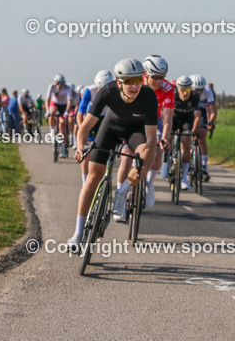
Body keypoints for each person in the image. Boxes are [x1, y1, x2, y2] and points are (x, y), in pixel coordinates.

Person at [68, 59, 158, 247]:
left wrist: (143, 157)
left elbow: (150, 138)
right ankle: (77, 234)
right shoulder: (107, 91)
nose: (135, 86)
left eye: (138, 81)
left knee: (149, 153)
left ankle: (122, 192)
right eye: (129, 82)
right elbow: (85, 127)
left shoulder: (149, 96)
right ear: (119, 83)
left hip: (136, 131)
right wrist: (79, 147)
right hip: (111, 127)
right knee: (93, 178)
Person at [142, 55, 174, 207]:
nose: (159, 81)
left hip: (156, 119)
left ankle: (149, 183)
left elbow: (167, 119)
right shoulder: (136, 83)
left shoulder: (168, 88)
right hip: (137, 117)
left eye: (163, 77)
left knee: (158, 152)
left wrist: (165, 139)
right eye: (155, 77)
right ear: (146, 74)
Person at [76, 70, 114, 186]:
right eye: (98, 89)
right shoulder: (90, 91)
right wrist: (83, 130)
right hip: (93, 118)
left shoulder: (115, 91)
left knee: (110, 149)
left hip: (108, 118)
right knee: (87, 153)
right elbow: (80, 114)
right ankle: (84, 181)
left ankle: (109, 168)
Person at [170, 75, 204, 191]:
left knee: (186, 141)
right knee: (169, 138)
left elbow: (198, 116)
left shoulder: (195, 96)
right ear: (178, 89)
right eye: (183, 90)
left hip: (187, 119)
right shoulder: (172, 95)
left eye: (188, 90)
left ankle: (184, 177)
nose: (185, 93)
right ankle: (167, 163)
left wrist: (194, 130)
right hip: (173, 118)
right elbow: (165, 114)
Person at [191, 74, 216, 182]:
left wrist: (210, 122)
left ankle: (204, 167)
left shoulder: (208, 91)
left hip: (201, 111)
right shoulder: (187, 90)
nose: (199, 92)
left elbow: (213, 111)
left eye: (201, 90)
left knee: (202, 136)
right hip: (189, 110)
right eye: (197, 90)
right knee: (186, 135)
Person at [46, 74, 72, 157]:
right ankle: (52, 132)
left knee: (62, 124)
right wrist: (47, 111)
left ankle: (63, 149)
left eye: (61, 83)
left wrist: (66, 112)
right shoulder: (52, 87)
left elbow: (69, 102)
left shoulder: (67, 88)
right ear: (55, 83)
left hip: (64, 106)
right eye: (58, 83)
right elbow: (47, 99)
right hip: (55, 104)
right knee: (51, 112)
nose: (59, 85)